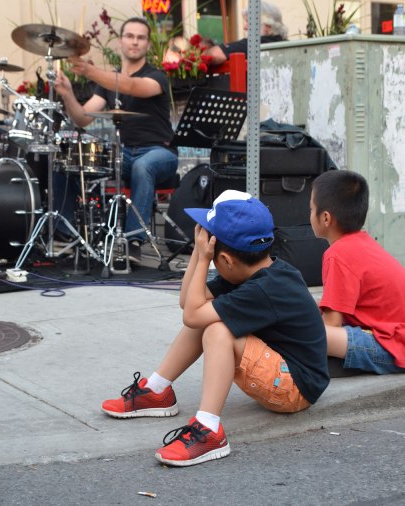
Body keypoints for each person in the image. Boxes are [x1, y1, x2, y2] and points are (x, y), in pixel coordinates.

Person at [101, 189, 330, 467]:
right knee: (207, 317)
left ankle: (209, 430)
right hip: (280, 367)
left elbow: (192, 314)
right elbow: (189, 304)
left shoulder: (266, 288)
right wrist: (201, 255)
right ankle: (157, 390)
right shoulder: (250, 271)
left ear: (226, 261)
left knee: (216, 329)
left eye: (210, 251)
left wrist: (201, 258)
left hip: (296, 387)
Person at [54, 17, 178, 263]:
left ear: (147, 44)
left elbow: (132, 86)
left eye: (140, 37)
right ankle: (68, 233)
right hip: (125, 153)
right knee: (69, 162)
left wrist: (90, 71)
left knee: (144, 166)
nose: (135, 41)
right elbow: (82, 118)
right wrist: (67, 93)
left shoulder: (157, 76)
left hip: (160, 153)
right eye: (130, 36)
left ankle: (132, 240)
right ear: (120, 41)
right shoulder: (107, 84)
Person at [310, 170, 405, 373]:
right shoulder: (361, 243)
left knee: (306, 333)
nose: (309, 214)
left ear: (325, 218)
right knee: (308, 315)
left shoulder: (338, 254)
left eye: (310, 208)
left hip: (394, 349)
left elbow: (332, 324)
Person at [206, 1, 288, 66]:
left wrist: (204, 51)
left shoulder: (254, 44)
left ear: (267, 26)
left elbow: (214, 55)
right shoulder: (286, 45)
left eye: (249, 21)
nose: (245, 27)